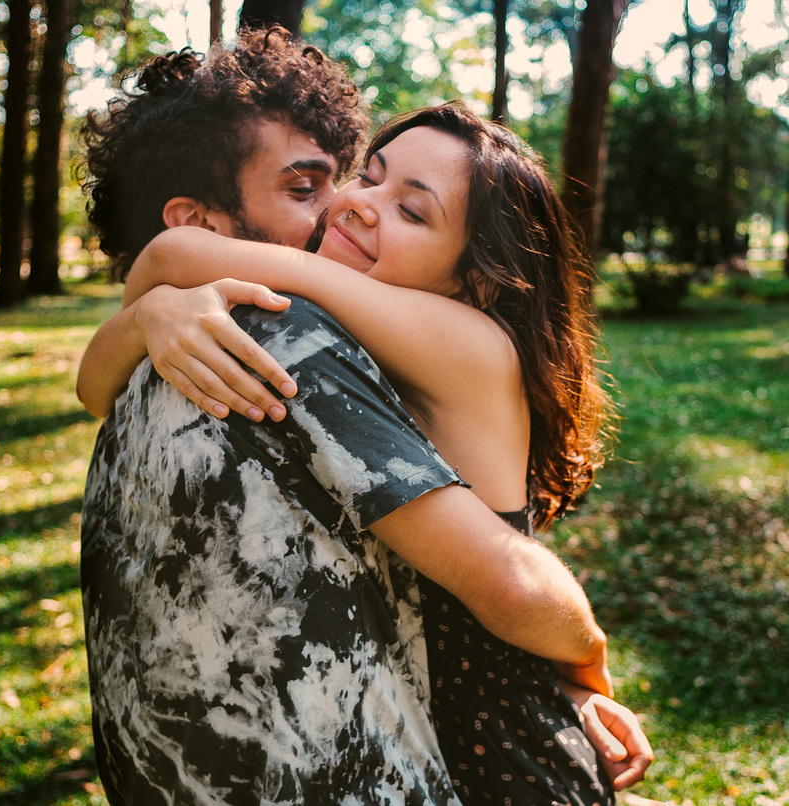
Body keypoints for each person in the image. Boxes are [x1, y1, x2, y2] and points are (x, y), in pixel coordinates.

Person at [77, 31, 648, 805]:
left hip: (501, 738)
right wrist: (151, 319)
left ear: (478, 279)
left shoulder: (470, 340)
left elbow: (512, 584)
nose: (354, 204)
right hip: (437, 718)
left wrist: (583, 667)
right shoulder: (373, 339)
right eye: (368, 178)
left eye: (411, 210)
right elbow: (92, 385)